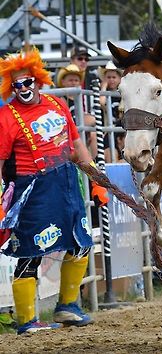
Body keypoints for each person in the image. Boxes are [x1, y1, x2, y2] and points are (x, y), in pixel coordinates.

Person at [0, 48, 108, 334]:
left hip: (67, 183)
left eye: (27, 82)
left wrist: (97, 180)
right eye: (16, 85)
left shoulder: (57, 104)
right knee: (31, 253)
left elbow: (76, 148)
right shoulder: (6, 118)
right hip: (32, 190)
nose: (23, 89)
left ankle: (68, 307)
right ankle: (26, 320)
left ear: (38, 79)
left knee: (82, 243)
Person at [99, 60, 122, 127]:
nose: (111, 80)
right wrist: (103, 88)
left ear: (120, 79)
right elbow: (101, 103)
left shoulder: (122, 93)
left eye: (114, 77)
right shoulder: (102, 93)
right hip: (107, 125)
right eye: (108, 77)